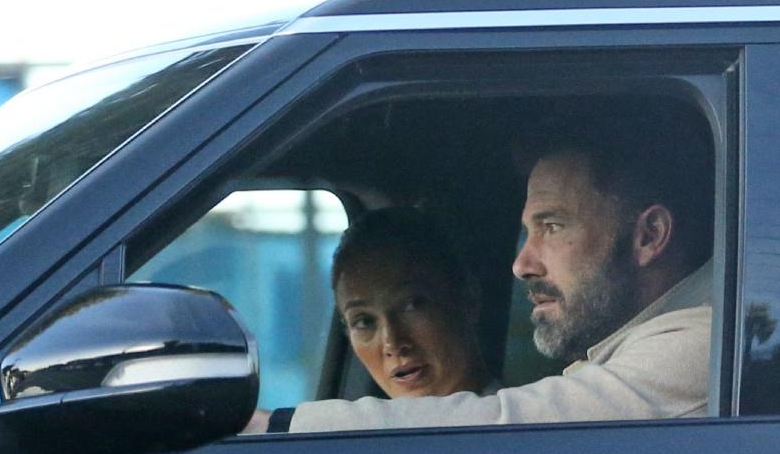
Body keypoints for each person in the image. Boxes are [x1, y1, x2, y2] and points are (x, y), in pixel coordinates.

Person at [255, 108, 713, 433]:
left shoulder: (705, 343)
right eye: (362, 321)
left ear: (649, 235)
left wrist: (272, 428)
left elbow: (514, 425)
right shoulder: (644, 347)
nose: (522, 264)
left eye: (551, 227)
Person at [330, 208, 492, 399]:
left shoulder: (520, 421)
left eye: (411, 305)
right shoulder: (350, 425)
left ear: (468, 299)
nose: (393, 343)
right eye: (364, 321)